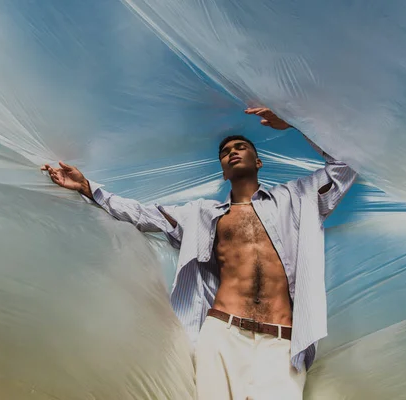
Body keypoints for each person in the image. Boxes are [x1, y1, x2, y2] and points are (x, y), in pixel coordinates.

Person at [42, 108, 357, 399]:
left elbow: (345, 167)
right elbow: (141, 214)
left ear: (258, 162)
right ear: (222, 171)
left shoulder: (296, 198)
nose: (232, 152)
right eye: (225, 152)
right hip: (222, 333)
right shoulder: (200, 215)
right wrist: (88, 187)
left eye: (240, 147)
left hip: (282, 341)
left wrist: (293, 122)